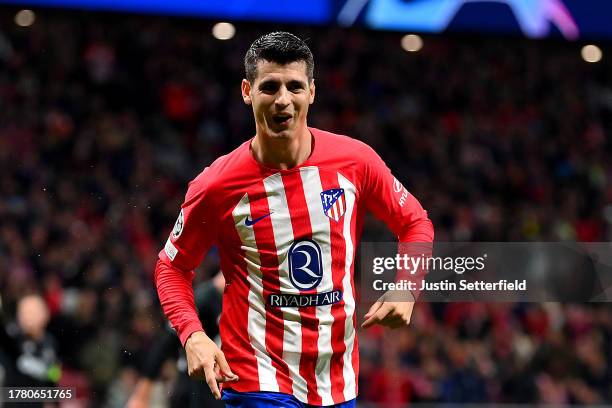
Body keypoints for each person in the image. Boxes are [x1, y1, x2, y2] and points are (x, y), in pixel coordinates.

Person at [155, 31, 434, 407]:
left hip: (337, 380)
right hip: (256, 377)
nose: (283, 100)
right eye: (269, 87)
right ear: (247, 91)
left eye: (294, 87)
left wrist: (407, 287)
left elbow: (414, 222)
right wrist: (194, 335)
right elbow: (171, 267)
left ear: (312, 92)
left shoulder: (356, 161)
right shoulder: (217, 185)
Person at [127, 272, 225, 408]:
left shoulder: (241, 301)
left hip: (219, 387)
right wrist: (142, 391)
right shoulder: (204, 298)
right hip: (194, 388)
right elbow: (166, 342)